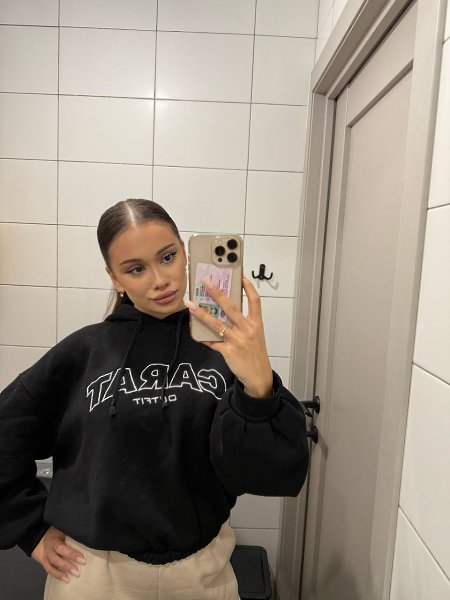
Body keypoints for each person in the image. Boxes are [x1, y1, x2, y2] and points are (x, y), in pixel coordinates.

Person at [0, 199, 309, 599]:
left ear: (185, 253)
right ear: (114, 278)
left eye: (167, 257)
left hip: (202, 574)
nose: (160, 280)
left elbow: (275, 473)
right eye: (136, 269)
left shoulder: (226, 351)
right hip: (94, 576)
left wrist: (259, 386)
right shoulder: (84, 351)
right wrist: (31, 531)